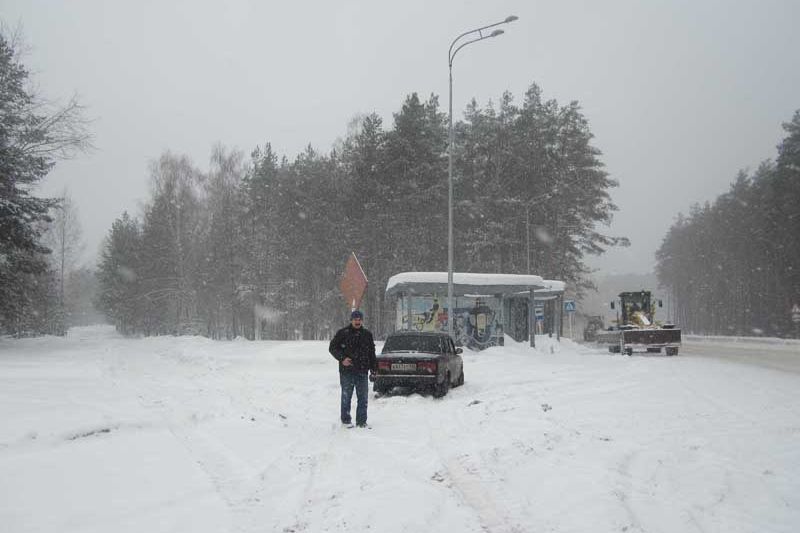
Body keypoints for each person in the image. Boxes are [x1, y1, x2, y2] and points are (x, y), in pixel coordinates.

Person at [329, 309, 376, 427]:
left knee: (363, 398)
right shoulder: (343, 333)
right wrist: (342, 358)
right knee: (346, 397)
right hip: (347, 371)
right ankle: (346, 421)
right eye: (355, 319)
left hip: (362, 371)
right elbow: (333, 348)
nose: (357, 322)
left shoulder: (367, 335)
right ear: (351, 320)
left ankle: (361, 421)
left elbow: (371, 353)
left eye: (359, 319)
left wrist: (374, 368)